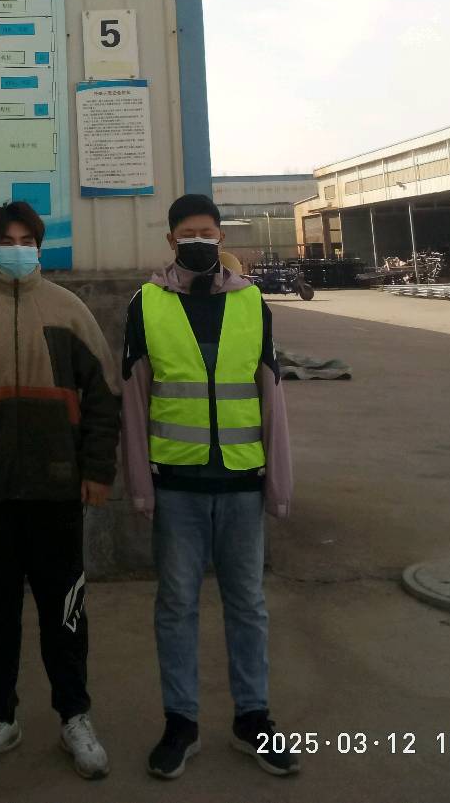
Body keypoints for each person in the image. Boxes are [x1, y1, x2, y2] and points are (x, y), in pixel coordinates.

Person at [0, 201, 120, 780]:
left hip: (58, 492)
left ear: (39, 246)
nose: (17, 249)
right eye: (6, 242)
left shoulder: (70, 311)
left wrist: (97, 471)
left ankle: (74, 717)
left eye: (26, 240)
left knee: (66, 614)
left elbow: (104, 396)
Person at [122, 193, 297, 779]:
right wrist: (140, 485)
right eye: (187, 233)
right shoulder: (144, 304)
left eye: (208, 232)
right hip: (177, 486)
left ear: (222, 238)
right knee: (176, 606)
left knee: (247, 604)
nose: (199, 241)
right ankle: (181, 723)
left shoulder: (253, 304)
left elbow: (271, 396)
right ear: (171, 241)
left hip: (242, 483)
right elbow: (133, 400)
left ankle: (253, 719)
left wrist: (278, 483)